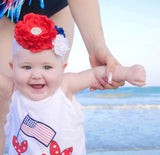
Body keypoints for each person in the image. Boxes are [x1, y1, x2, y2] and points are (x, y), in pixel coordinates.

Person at [0, 13, 146, 154]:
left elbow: (95, 73)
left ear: (62, 68)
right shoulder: (13, 90)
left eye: (47, 67)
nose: (37, 75)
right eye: (26, 67)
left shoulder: (65, 85)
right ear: (13, 68)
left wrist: (127, 73)